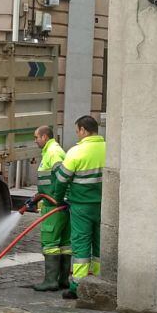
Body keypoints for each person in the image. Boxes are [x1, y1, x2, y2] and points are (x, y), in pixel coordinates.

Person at [52, 115, 106, 300]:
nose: (77, 135)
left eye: (77, 131)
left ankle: (78, 286)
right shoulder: (108, 148)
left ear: (83, 130)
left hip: (81, 207)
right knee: (100, 244)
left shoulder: (76, 152)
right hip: (103, 206)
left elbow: (61, 180)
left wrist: (57, 200)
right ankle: (99, 279)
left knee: (81, 244)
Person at [31, 125, 72, 292]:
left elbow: (61, 176)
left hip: (53, 205)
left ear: (45, 137)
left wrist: (54, 198)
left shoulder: (53, 152)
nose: (35, 141)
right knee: (64, 243)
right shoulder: (53, 150)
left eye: (36, 138)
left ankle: (50, 281)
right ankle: (63, 280)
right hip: (61, 204)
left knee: (50, 243)